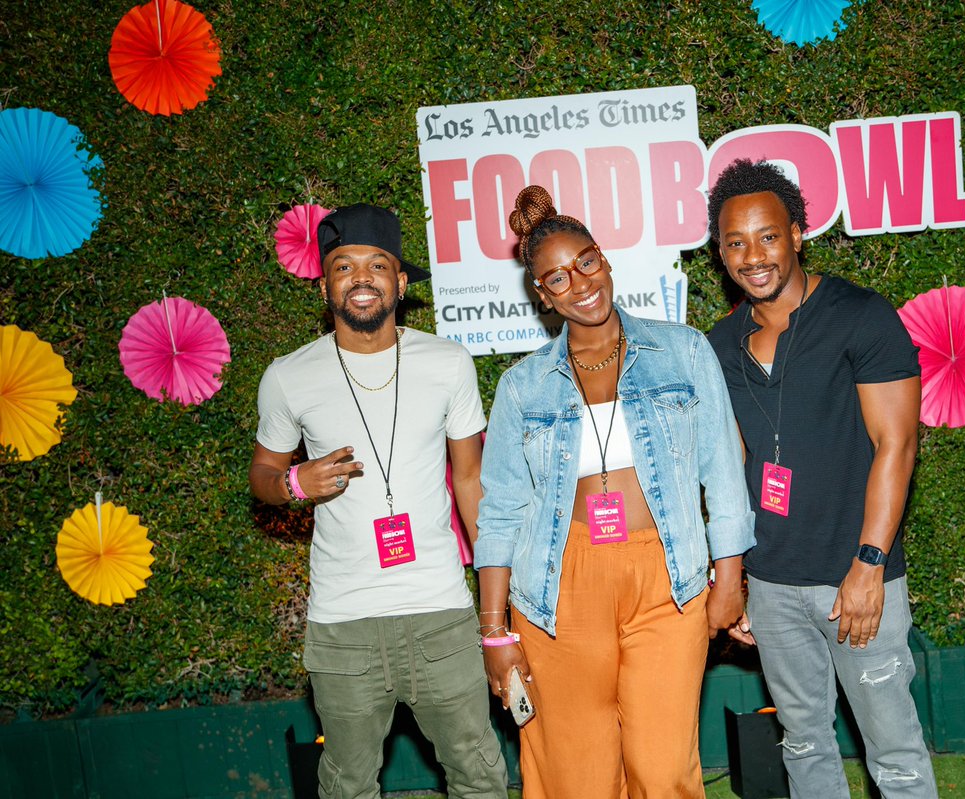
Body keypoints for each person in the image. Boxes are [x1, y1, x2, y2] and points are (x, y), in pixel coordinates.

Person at [472, 185, 755, 799]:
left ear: (605, 259)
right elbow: (500, 513)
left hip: (667, 575)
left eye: (586, 263)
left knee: (663, 768)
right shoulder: (523, 387)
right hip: (558, 583)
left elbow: (723, 472)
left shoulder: (683, 351)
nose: (579, 283)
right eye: (557, 278)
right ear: (541, 295)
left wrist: (728, 577)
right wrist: (496, 634)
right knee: (578, 774)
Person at [248, 204, 507, 799]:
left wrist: (496, 596)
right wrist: (292, 483)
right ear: (325, 284)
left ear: (401, 281)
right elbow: (262, 472)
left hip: (440, 612)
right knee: (347, 784)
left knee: (479, 773)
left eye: (376, 265)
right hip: (343, 624)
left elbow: (470, 480)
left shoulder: (448, 364)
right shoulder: (289, 376)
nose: (361, 277)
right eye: (344, 266)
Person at [706, 160, 938, 799]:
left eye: (768, 236)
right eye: (734, 242)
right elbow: (731, 468)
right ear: (720, 252)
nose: (753, 255)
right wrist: (737, 578)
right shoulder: (722, 344)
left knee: (892, 749)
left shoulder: (860, 316)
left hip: (853, 581)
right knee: (804, 742)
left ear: (798, 233)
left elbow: (898, 443)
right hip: (773, 585)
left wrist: (869, 564)